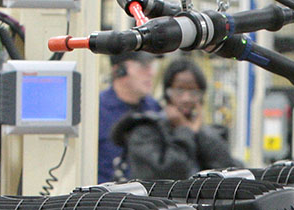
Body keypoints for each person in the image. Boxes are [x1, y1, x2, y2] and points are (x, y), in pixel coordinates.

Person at [110, 57, 243, 181]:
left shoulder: (208, 134)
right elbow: (169, 175)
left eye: (193, 92)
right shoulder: (145, 131)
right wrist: (184, 131)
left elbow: (229, 172)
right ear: (167, 93)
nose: (186, 99)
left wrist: (199, 133)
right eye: (179, 90)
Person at [98, 52, 161, 184]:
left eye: (151, 66)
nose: (151, 73)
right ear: (119, 71)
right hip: (105, 199)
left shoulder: (154, 109)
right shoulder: (97, 111)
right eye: (143, 66)